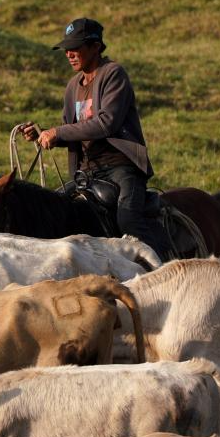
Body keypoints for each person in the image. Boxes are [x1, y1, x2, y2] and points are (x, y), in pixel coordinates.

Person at [23, 17, 172, 260]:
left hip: (121, 167)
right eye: (67, 49)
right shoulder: (73, 86)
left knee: (128, 221)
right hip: (86, 172)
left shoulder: (113, 74)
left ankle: (164, 266)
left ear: (95, 46)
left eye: (76, 48)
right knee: (54, 211)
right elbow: (73, 129)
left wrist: (58, 132)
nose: (69, 54)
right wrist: (43, 135)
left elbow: (106, 123)